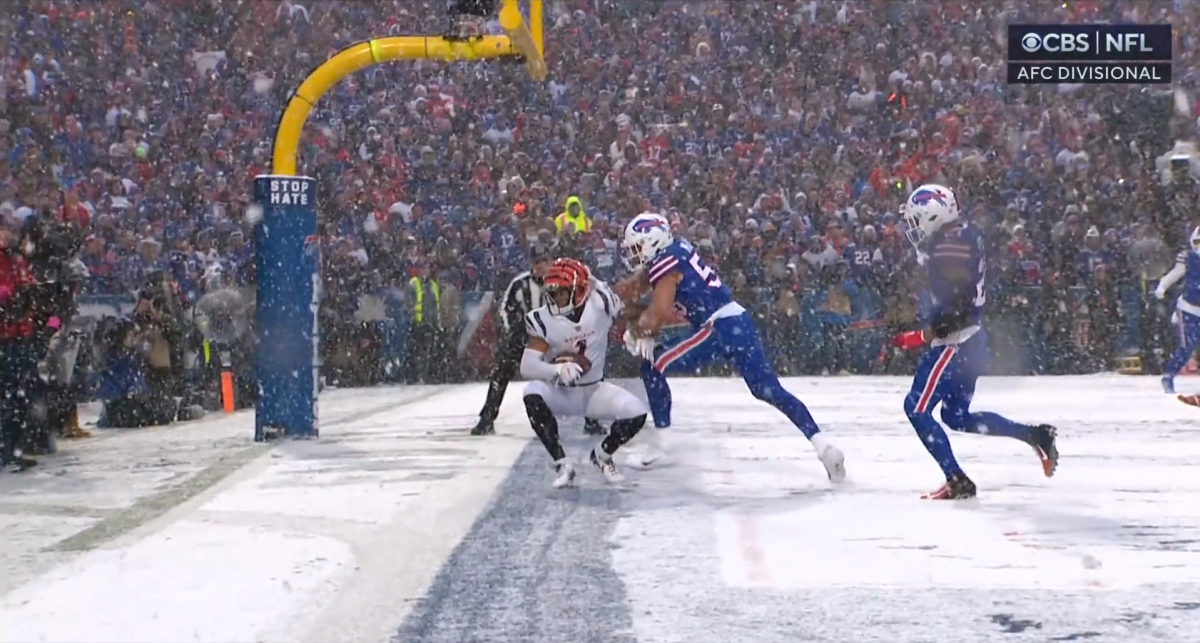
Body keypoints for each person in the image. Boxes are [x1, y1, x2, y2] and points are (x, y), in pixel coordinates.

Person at [616, 212, 845, 482]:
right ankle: (824, 446)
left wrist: (638, 329)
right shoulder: (675, 251)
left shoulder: (665, 260)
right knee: (768, 390)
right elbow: (632, 289)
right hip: (738, 321)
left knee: (652, 364)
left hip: (716, 328)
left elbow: (661, 312)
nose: (634, 255)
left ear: (653, 241)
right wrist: (611, 299)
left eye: (636, 247)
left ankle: (665, 444)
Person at [890, 184, 1059, 500]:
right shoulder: (965, 233)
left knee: (916, 408)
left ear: (933, 213)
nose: (913, 226)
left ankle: (957, 480)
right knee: (956, 416)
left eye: (917, 218)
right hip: (973, 341)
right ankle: (1035, 435)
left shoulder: (947, 247)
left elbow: (958, 307)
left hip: (955, 343)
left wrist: (922, 335)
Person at [519, 258, 650, 488]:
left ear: (579, 291)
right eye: (552, 292)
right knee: (532, 394)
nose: (556, 298)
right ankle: (562, 463)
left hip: (593, 391)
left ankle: (602, 454)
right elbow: (527, 366)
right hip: (559, 392)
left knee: (637, 413)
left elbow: (628, 304)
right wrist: (556, 369)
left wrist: (641, 329)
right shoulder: (543, 319)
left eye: (562, 292)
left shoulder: (600, 305)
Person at [0, 219, 40, 470]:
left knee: (17, 396)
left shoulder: (17, 261)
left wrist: (31, 291)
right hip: (5, 336)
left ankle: (13, 448)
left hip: (19, 334)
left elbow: (28, 287)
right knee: (8, 395)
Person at [1153, 226, 1200, 394]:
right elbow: (1176, 273)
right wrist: (1162, 286)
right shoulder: (1187, 257)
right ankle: (1169, 376)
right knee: (1186, 347)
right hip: (1189, 309)